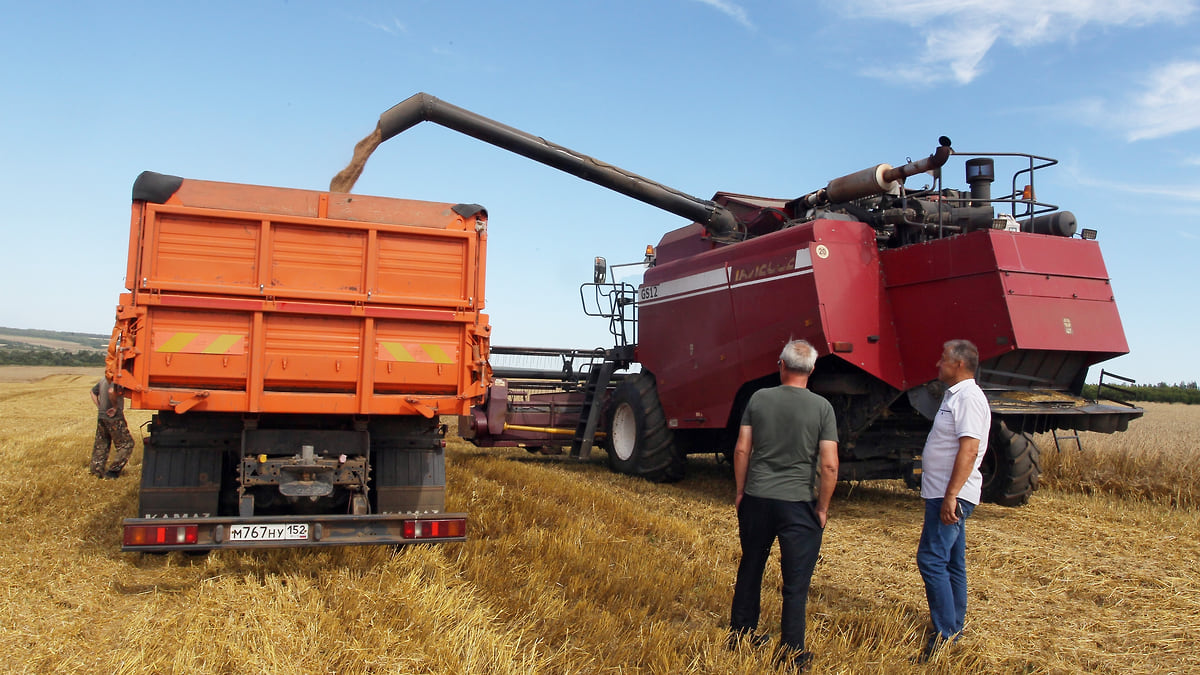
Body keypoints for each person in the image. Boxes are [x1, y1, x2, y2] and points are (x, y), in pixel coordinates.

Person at [729, 339, 839, 671]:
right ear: (812, 370)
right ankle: (791, 653)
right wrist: (822, 508)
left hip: (758, 498)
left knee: (751, 566)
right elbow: (830, 464)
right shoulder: (822, 408)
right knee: (795, 582)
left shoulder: (758, 399)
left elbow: (741, 449)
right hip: (799, 504)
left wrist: (740, 491)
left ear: (781, 364)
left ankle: (741, 635)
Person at [916, 339, 991, 661]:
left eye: (944, 359)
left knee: (931, 559)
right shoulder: (955, 396)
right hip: (943, 492)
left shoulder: (969, 398)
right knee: (951, 562)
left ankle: (946, 633)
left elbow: (970, 449)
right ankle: (954, 625)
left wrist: (951, 496)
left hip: (950, 495)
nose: (938, 364)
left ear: (959, 364)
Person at [90, 377, 135, 479]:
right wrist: (115, 407)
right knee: (127, 444)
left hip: (102, 416)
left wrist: (99, 406)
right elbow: (111, 391)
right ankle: (113, 471)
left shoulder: (103, 380)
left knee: (102, 444)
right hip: (114, 417)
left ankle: (96, 471)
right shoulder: (117, 379)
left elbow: (92, 392)